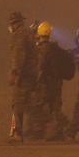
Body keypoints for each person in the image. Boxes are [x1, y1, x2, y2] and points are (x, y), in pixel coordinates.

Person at [30, 21, 71, 141]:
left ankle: (37, 131)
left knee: (37, 106)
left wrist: (37, 79)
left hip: (46, 83)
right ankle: (59, 132)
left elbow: (40, 66)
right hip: (57, 83)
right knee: (55, 107)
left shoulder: (42, 49)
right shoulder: (55, 48)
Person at [7, 11, 38, 143]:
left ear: (14, 23)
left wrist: (15, 72)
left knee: (17, 103)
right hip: (32, 73)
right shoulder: (28, 32)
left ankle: (17, 133)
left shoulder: (19, 34)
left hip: (24, 74)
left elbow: (19, 54)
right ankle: (47, 128)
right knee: (30, 103)